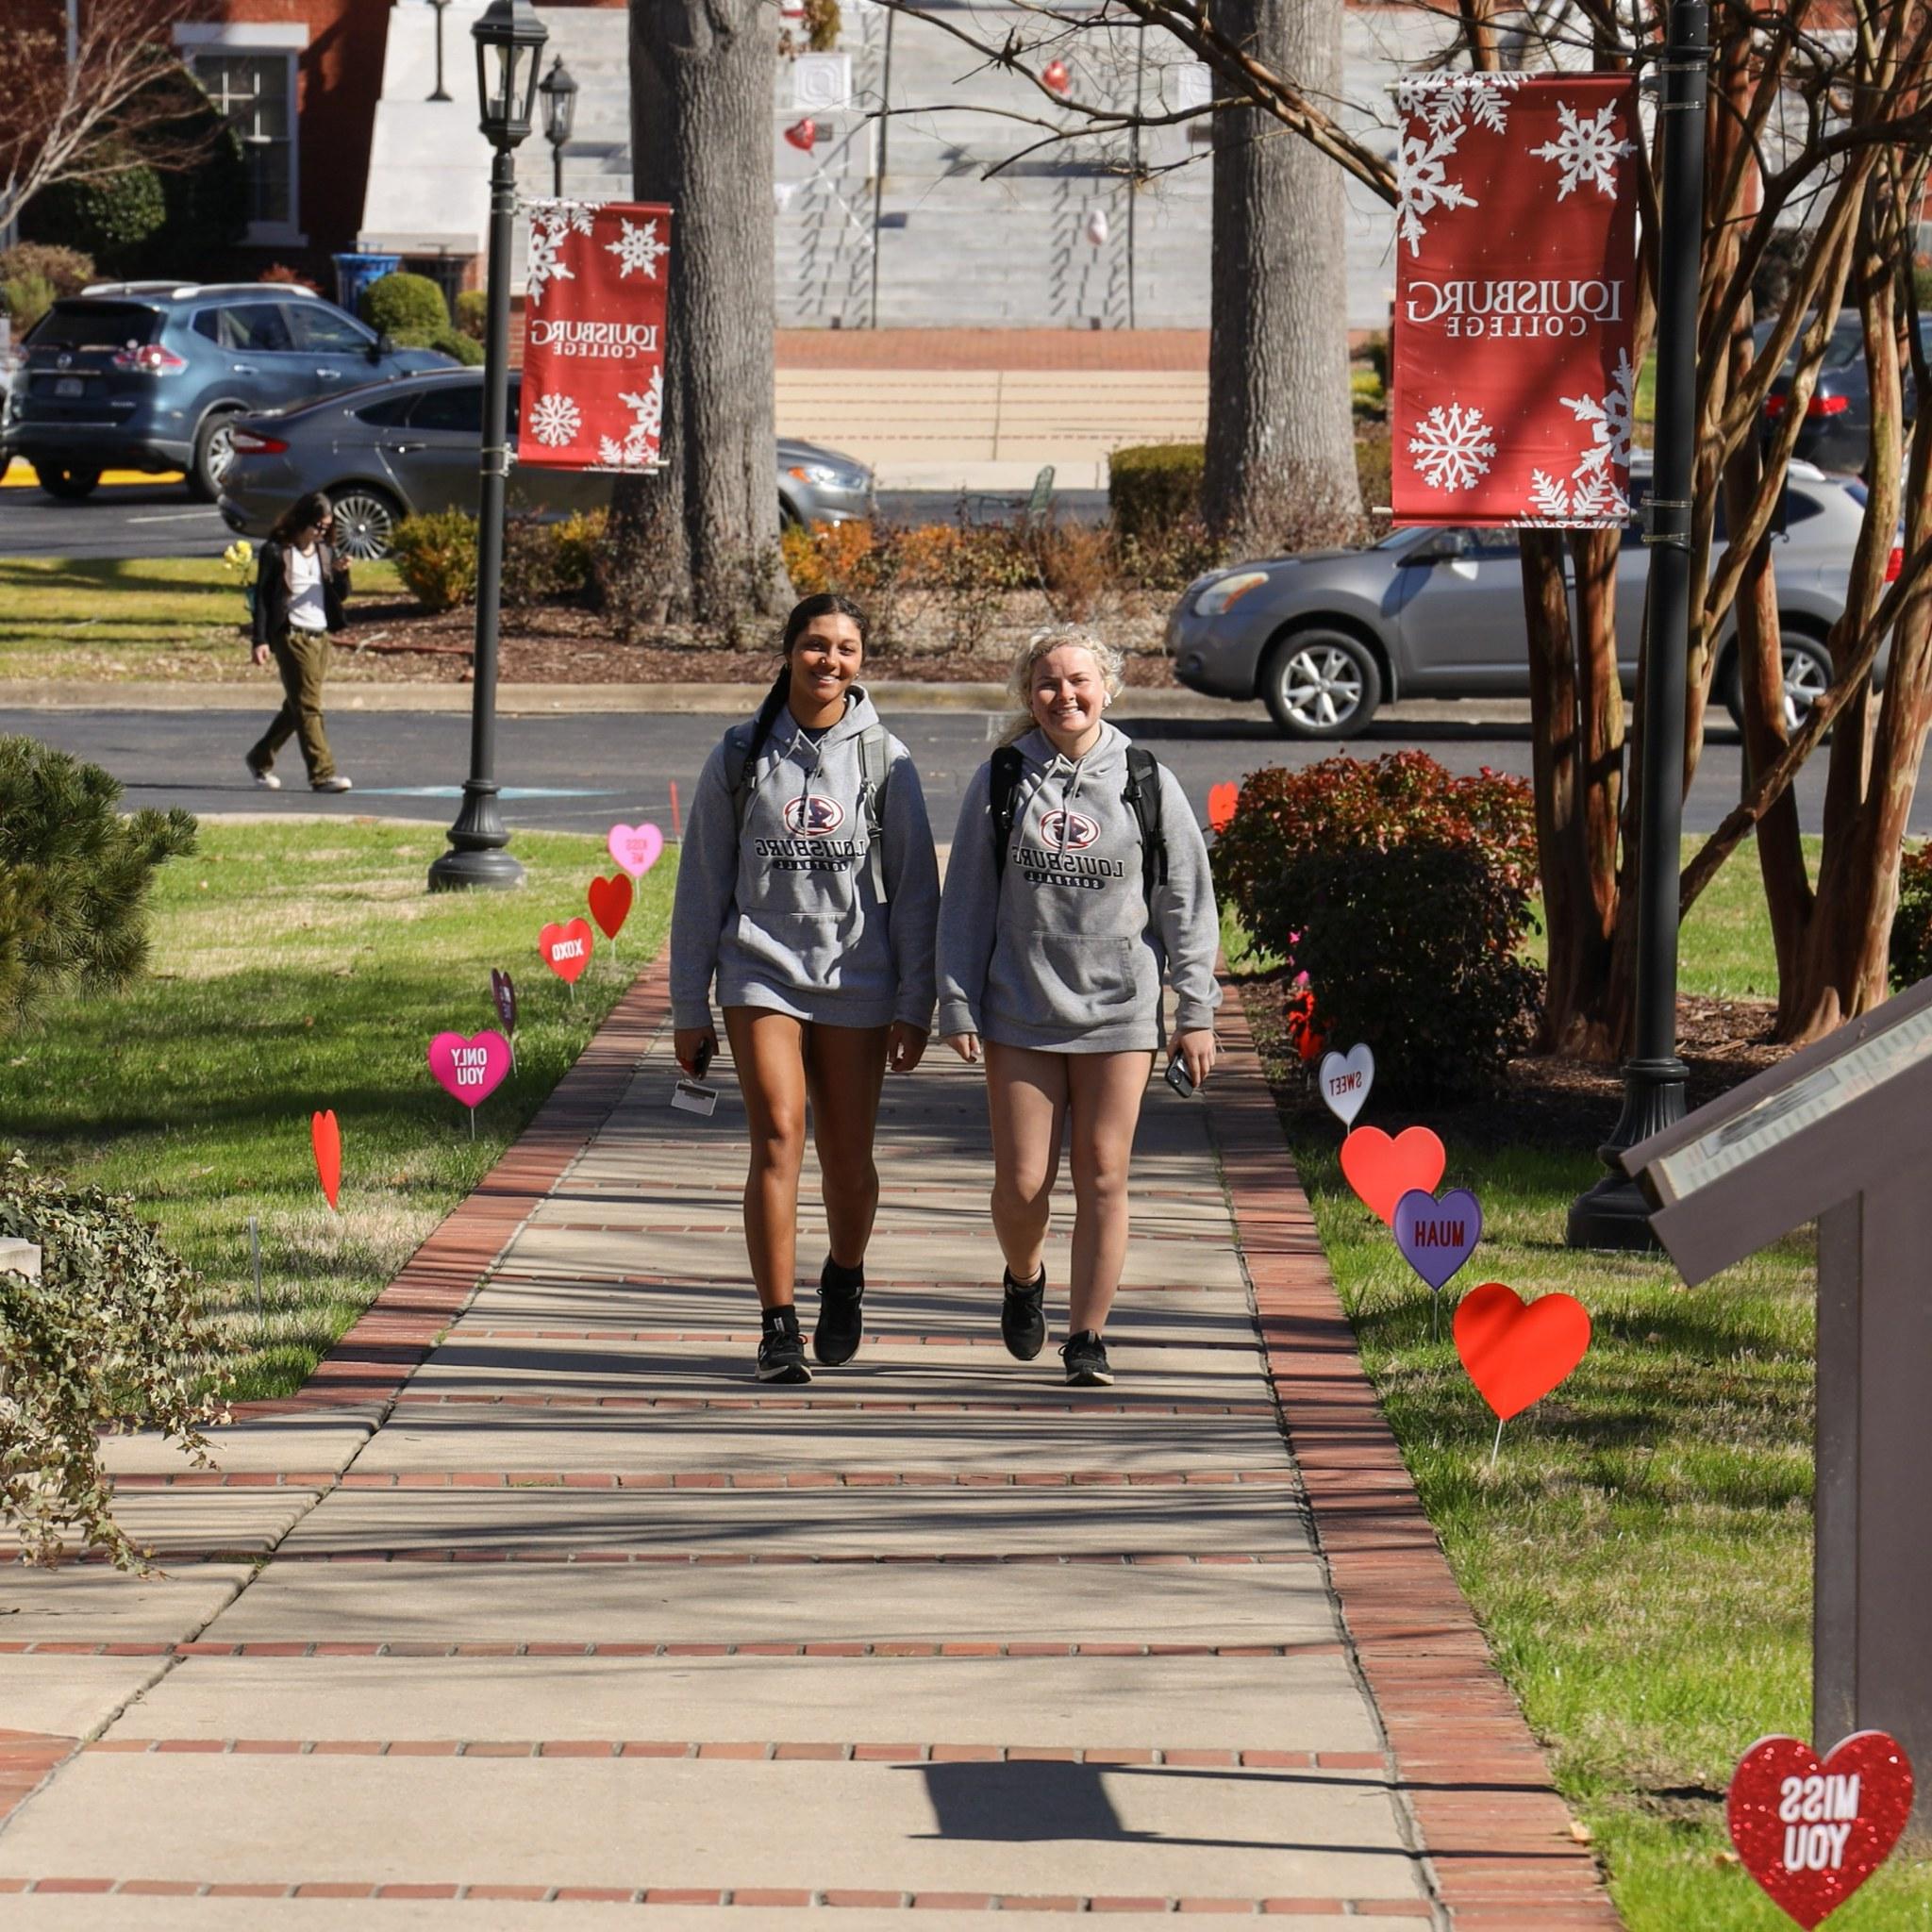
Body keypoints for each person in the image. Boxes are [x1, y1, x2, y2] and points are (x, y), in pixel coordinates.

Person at [936, 626, 1220, 1388]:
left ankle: (1087, 1336)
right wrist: (956, 1002)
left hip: (1120, 1009)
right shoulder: (1002, 779)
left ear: (1109, 687)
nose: (1066, 695)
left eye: (1079, 681)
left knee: (1103, 1174)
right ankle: (1024, 1274)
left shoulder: (1146, 778)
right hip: (1019, 1007)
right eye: (1049, 684)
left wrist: (1196, 1009)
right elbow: (965, 899)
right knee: (1023, 1184)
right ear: (1030, 697)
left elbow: (1185, 899)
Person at [670, 592, 941, 1384]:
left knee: (848, 1158)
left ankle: (844, 1276)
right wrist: (691, 1005)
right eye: (817, 644)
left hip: (859, 975)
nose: (831, 660)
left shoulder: (887, 758)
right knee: (779, 1134)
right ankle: (777, 1324)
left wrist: (913, 1002)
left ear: (861, 662)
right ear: (788, 651)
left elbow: (917, 889)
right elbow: (701, 886)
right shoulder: (739, 752)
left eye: (848, 648)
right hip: (759, 968)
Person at [245, 491, 353, 794]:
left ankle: (259, 757)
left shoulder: (325, 552)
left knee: (298, 706)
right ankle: (322, 774)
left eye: (326, 527)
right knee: (309, 706)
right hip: (292, 635)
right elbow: (264, 600)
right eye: (317, 526)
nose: (321, 532)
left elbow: (340, 596)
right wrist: (260, 640)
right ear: (302, 520)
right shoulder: (277, 551)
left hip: (321, 637)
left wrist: (343, 575)